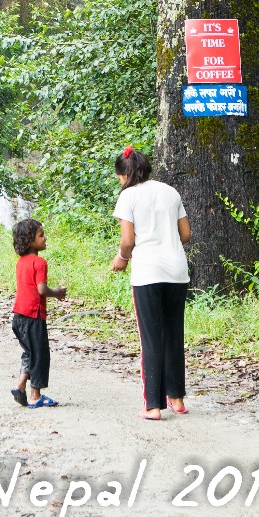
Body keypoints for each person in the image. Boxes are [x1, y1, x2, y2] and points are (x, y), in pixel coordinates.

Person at [110, 146, 191, 419]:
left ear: (124, 174)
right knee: (173, 335)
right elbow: (186, 234)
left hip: (147, 273)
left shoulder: (128, 196)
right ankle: (177, 399)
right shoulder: (170, 192)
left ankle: (153, 406)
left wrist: (122, 258)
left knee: (151, 339)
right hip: (177, 271)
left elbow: (128, 241)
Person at [9, 216, 66, 408]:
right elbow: (41, 290)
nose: (45, 238)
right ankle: (35, 395)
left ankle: (20, 385)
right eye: (41, 235)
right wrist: (57, 293)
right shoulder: (39, 263)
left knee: (29, 353)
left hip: (18, 317)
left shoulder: (21, 262)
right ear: (30, 240)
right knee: (40, 355)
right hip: (34, 317)